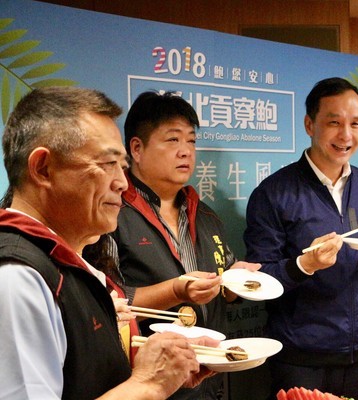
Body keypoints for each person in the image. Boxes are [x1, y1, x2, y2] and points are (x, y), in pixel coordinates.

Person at [0, 87, 214, 399]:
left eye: (122, 166)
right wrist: (147, 385)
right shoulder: (18, 278)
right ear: (43, 169)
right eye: (106, 164)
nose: (122, 182)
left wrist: (164, 372)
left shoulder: (67, 262)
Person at [243, 77, 358, 400]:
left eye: (355, 124)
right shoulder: (273, 194)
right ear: (309, 124)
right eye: (334, 123)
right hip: (302, 361)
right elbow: (256, 283)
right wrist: (304, 264)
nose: (346, 135)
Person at [106, 91, 260, 400]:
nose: (185, 152)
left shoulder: (204, 214)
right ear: (136, 148)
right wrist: (178, 289)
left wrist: (233, 282)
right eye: (173, 140)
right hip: (145, 383)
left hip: (209, 376)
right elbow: (107, 302)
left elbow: (222, 287)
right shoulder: (111, 213)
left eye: (191, 141)